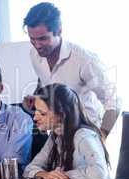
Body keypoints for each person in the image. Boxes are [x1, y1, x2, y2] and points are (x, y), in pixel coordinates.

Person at [22, 2, 120, 140]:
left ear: (59, 31)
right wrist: (36, 98)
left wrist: (101, 137)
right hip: (58, 136)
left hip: (87, 136)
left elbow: (114, 101)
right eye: (32, 39)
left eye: (43, 39)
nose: (37, 45)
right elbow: (45, 81)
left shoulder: (85, 60)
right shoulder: (34, 54)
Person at [22, 84, 110, 179]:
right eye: (35, 112)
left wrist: (62, 175)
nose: (35, 118)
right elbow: (28, 169)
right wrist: (44, 175)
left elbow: (100, 173)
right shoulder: (55, 136)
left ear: (61, 114)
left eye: (42, 113)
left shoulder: (84, 136)